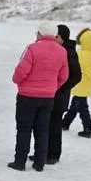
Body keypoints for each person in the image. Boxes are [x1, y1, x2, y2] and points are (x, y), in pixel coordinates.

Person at [8, 22, 68, 172]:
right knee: (42, 130)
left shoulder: (32, 48)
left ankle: (20, 161)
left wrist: (17, 81)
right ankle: (40, 162)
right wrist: (52, 87)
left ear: (41, 33)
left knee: (24, 129)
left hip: (27, 96)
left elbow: (22, 70)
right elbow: (64, 75)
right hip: (47, 97)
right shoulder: (62, 51)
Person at [30, 24, 81, 165]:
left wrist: (60, 88)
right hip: (51, 95)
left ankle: (53, 155)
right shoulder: (60, 49)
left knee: (54, 127)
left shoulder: (69, 52)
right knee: (44, 125)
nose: (53, 38)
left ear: (62, 37)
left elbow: (76, 76)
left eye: (56, 36)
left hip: (59, 97)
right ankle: (42, 152)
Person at [61, 28, 91, 138]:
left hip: (80, 82)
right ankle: (65, 122)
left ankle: (88, 128)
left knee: (82, 106)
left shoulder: (80, 54)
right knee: (76, 103)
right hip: (89, 82)